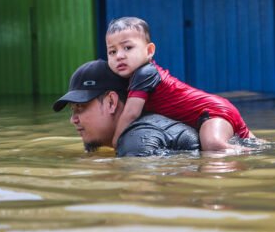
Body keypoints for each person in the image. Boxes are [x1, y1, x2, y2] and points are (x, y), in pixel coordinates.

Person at [106, 16, 256, 152]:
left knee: (212, 146)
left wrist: (115, 140)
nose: (119, 56)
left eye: (128, 48)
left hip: (211, 112)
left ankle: (246, 153)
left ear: (149, 51)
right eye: (112, 52)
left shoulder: (144, 73)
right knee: (256, 142)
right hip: (212, 110)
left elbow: (131, 113)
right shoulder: (138, 75)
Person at [52, 59, 200, 157]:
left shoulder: (136, 139)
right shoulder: (141, 131)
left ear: (111, 102)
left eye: (80, 107)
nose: (73, 119)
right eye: (73, 110)